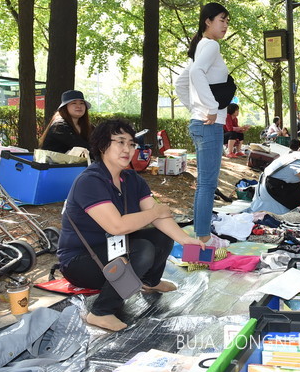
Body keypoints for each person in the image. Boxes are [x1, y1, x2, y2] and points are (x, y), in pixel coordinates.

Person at [57, 119, 205, 332]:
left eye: (131, 143)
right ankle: (101, 312)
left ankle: (150, 282)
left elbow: (159, 218)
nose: (127, 149)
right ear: (102, 145)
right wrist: (155, 212)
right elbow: (118, 227)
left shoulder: (132, 179)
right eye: (120, 142)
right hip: (80, 262)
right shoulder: (90, 181)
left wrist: (186, 239)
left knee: (161, 236)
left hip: (111, 249)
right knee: (142, 250)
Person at [175, 2, 233, 248]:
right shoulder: (210, 45)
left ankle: (202, 235)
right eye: (222, 20)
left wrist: (196, 108)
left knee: (205, 184)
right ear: (207, 21)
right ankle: (205, 239)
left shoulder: (200, 46)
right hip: (208, 124)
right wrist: (209, 107)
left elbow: (181, 83)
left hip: (201, 122)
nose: (225, 25)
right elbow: (196, 73)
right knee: (208, 184)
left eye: (227, 21)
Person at [39, 90, 93, 155]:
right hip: (54, 161)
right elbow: (80, 146)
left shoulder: (88, 126)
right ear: (65, 107)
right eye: (74, 103)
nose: (79, 106)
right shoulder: (59, 126)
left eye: (82, 103)